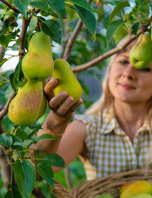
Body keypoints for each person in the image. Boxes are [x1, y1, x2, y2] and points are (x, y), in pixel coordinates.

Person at [35, 39, 152, 180]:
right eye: (123, 62)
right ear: (110, 69)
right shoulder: (88, 128)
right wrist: (56, 122)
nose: (128, 73)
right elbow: (38, 171)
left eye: (144, 67)